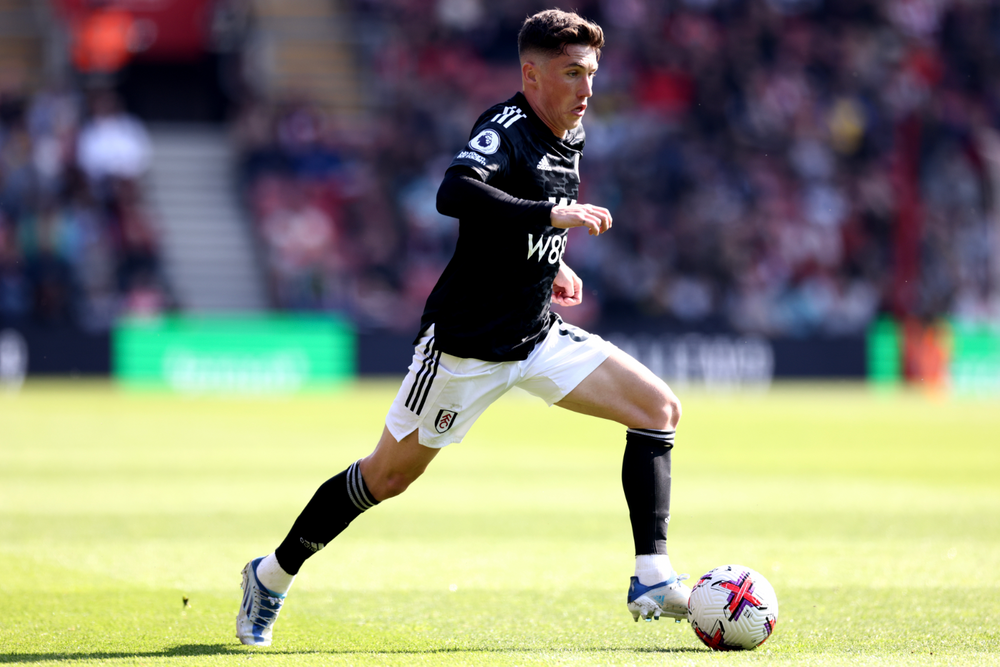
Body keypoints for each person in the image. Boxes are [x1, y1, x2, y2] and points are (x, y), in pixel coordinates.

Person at [236, 9, 688, 646]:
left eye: (591, 72)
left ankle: (652, 574)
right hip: (464, 347)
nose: (587, 88)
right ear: (531, 75)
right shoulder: (504, 127)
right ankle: (271, 576)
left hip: (535, 334)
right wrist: (552, 216)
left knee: (658, 408)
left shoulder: (572, 134)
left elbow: (512, 228)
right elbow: (456, 193)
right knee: (385, 478)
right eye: (571, 74)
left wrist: (549, 267)